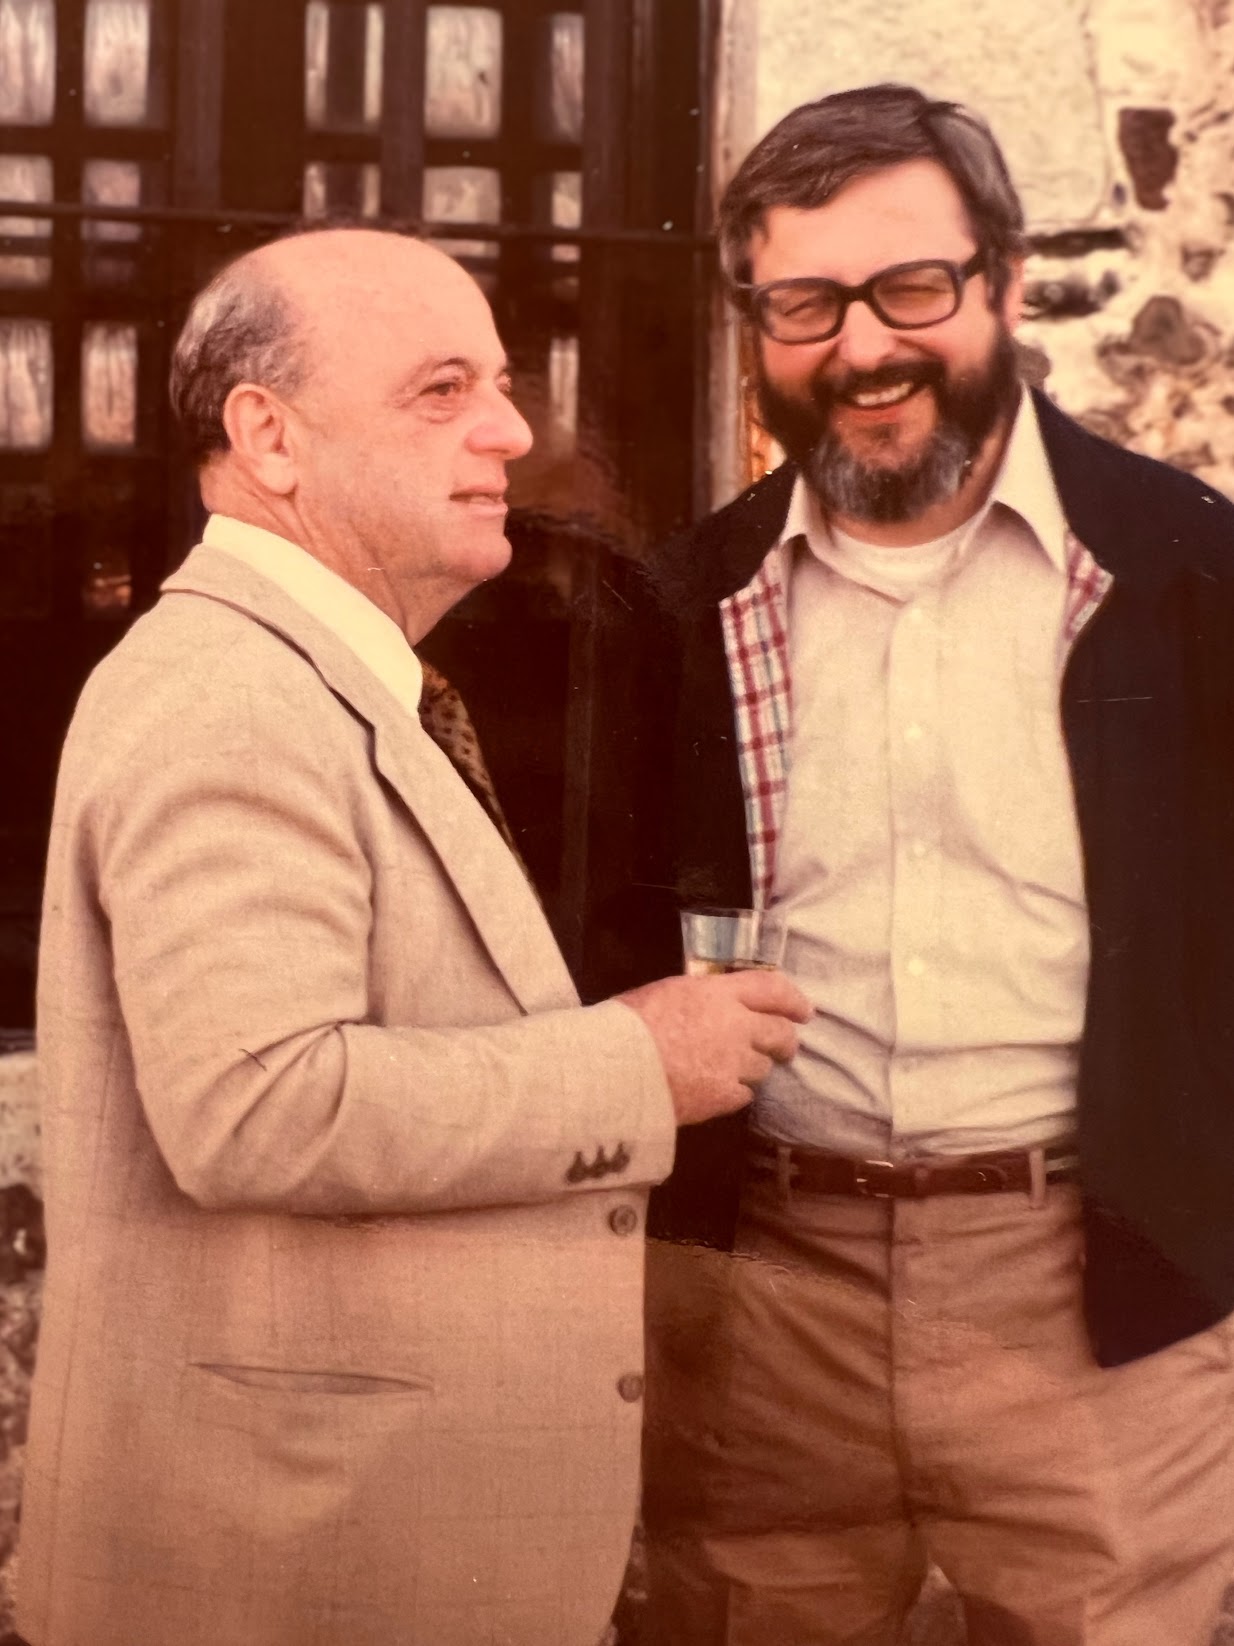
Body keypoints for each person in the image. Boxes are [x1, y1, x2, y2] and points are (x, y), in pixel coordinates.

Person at [17, 224, 809, 1646]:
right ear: (267, 435)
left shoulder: (323, 678)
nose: (510, 430)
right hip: (294, 1579)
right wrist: (638, 1061)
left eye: (500, 383)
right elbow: (255, 1108)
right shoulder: (230, 698)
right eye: (441, 391)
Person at [627, 83, 1234, 1646]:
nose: (863, 346)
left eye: (911, 287)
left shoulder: (1190, 573)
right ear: (747, 323)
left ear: (1003, 284)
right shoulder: (674, 606)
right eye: (803, 302)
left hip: (1107, 1294)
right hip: (759, 1299)